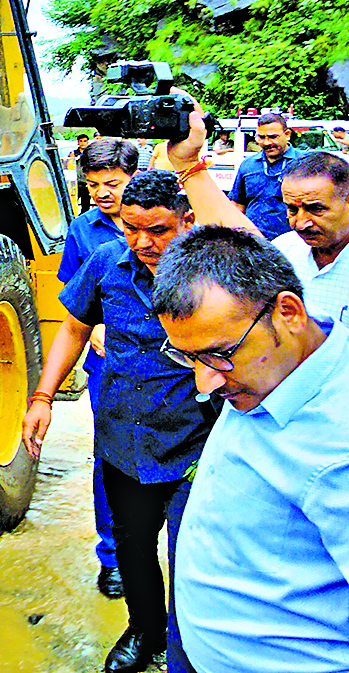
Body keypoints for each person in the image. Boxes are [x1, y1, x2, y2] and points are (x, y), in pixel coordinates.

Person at [23, 170, 212, 673]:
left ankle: (188, 644)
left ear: (187, 221)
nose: (144, 243)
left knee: (192, 555)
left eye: (159, 230)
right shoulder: (107, 263)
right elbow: (72, 328)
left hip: (198, 444)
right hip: (124, 437)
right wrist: (43, 395)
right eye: (131, 229)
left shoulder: (217, 271)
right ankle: (144, 630)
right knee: (132, 547)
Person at [151, 226, 348, 673]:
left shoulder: (339, 450)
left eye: (220, 354)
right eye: (190, 357)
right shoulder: (277, 353)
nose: (206, 384)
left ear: (289, 313)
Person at [165, 110, 349, 325]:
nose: (301, 223)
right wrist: (187, 163)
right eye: (291, 209)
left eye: (316, 209)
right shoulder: (285, 250)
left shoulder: (301, 161)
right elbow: (233, 221)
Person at [59, 137, 142, 601]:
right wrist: (93, 329)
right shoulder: (82, 229)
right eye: (93, 184)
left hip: (170, 364)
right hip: (108, 365)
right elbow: (74, 295)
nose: (102, 193)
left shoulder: (166, 217)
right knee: (110, 458)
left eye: (112, 183)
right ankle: (112, 558)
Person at [229, 111, 294, 237]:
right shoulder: (248, 165)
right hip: (254, 242)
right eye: (261, 137)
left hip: (290, 242)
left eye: (273, 137)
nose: (267, 143)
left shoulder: (302, 164)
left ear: (287, 134)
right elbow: (237, 204)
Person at [68, 134, 91, 213]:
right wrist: (71, 158)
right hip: (76, 181)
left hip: (86, 181)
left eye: (85, 141)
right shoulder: (74, 153)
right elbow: (68, 165)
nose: (83, 143)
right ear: (78, 142)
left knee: (86, 203)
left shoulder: (90, 153)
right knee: (72, 202)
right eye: (80, 141)